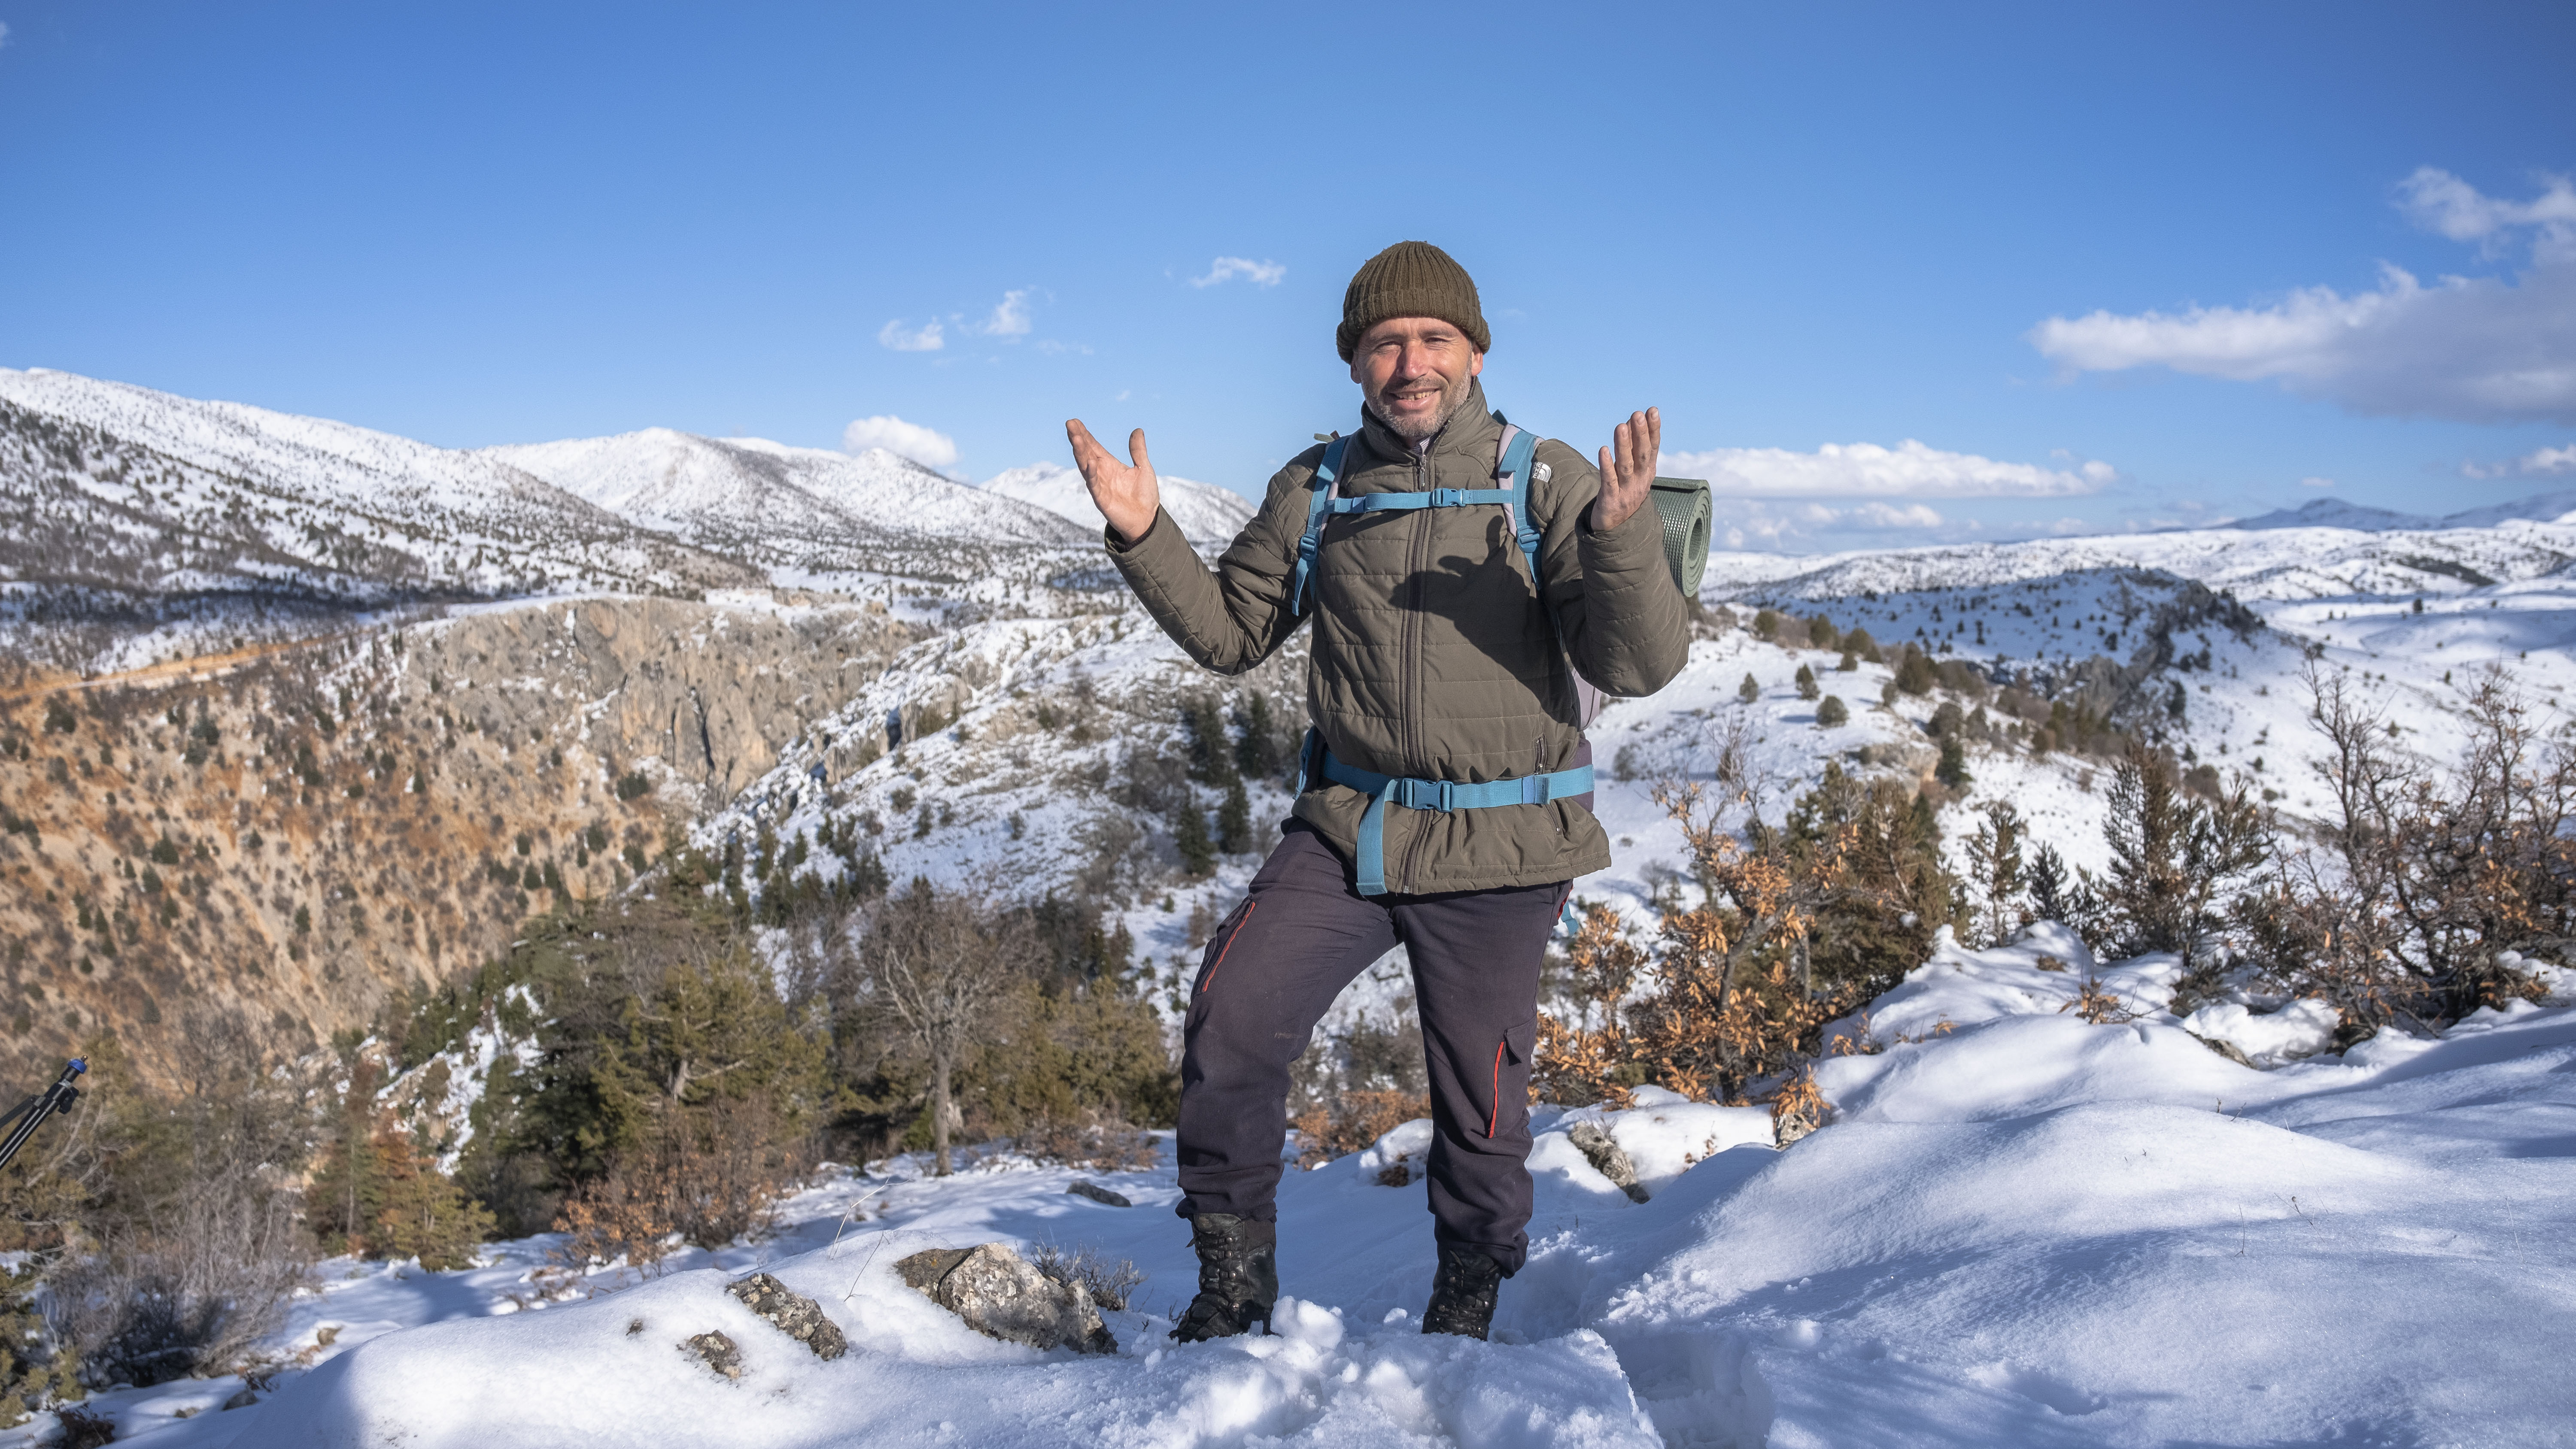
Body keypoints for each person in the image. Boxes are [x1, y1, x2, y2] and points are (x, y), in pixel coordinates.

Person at [1064, 240, 1689, 1342]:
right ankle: (1231, 1282)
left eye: (1433, 339)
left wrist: (1624, 537)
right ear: (1355, 362)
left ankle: (1470, 1289)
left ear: (1475, 351)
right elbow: (1231, 633)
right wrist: (1144, 536)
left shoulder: (1546, 482)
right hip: (1351, 826)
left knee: (1479, 1090)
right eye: (1385, 342)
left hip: (1507, 839)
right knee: (1232, 1019)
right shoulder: (1318, 488)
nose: (1411, 361)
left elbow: (1637, 664)